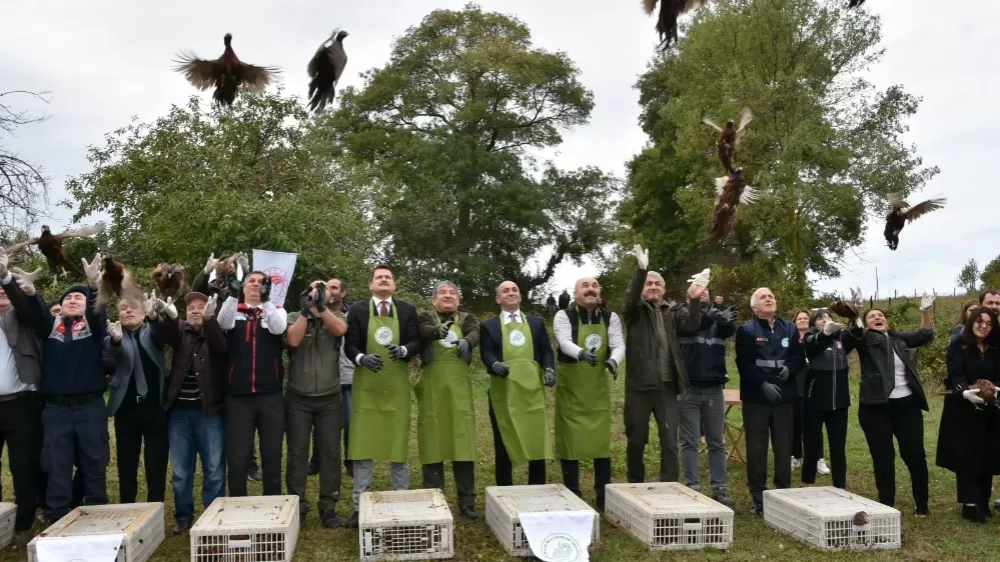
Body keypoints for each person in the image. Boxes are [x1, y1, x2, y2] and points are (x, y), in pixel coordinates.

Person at [26, 255, 109, 522]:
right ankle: (58, 515)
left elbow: (98, 315)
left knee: (95, 461)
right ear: (60, 306)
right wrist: (31, 294)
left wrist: (93, 285)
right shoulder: (50, 329)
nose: (72, 300)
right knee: (56, 463)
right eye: (67, 298)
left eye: (78, 298)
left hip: (90, 407)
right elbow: (37, 313)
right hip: (56, 409)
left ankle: (97, 513)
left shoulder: (93, 329)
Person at [841, 293, 936, 517]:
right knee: (883, 458)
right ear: (866, 324)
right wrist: (855, 315)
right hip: (875, 408)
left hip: (907, 406)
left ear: (887, 321)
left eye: (880, 315)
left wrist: (925, 312)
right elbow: (848, 340)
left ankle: (922, 505)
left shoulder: (898, 339)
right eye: (872, 316)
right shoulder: (864, 339)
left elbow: (925, 336)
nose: (877, 317)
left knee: (915, 455)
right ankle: (886, 504)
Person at [343, 265, 420, 528]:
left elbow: (416, 341)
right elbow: (349, 345)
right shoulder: (358, 310)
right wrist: (361, 358)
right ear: (371, 285)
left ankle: (401, 500)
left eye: (388, 277)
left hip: (396, 387)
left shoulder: (407, 310)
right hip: (367, 388)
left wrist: (404, 350)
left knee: (398, 446)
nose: (384, 280)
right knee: (363, 446)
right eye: (379, 277)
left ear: (394, 285)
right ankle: (359, 506)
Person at [622, 245, 704, 484]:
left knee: (669, 441)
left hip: (667, 386)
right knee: (637, 440)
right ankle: (634, 484)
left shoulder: (671, 311)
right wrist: (641, 271)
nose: (653, 287)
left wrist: (695, 299)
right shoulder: (634, 311)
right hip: (639, 386)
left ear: (664, 289)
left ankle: (669, 485)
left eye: (657, 284)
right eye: (649, 283)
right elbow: (631, 297)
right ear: (642, 288)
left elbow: (692, 326)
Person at [553, 276, 624, 511]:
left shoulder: (611, 317)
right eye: (585, 286)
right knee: (571, 441)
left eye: (594, 286)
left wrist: (614, 361)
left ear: (599, 293)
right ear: (576, 294)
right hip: (571, 389)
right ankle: (572, 492)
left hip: (597, 389)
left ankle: (603, 494)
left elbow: (618, 344)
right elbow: (564, 342)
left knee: (600, 443)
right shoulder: (563, 316)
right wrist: (581, 353)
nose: (590, 289)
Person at [159, 292, 227, 535]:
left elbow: (220, 348)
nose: (196, 310)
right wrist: (170, 318)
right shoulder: (181, 332)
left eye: (201, 306)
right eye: (191, 308)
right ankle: (184, 516)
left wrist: (210, 320)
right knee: (180, 472)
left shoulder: (216, 332)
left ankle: (213, 517)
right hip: (179, 415)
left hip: (209, 413)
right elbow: (165, 336)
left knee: (214, 469)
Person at [735, 287, 805, 516]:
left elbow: (798, 357)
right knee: (757, 449)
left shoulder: (790, 328)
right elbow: (744, 363)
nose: (768, 299)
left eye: (771, 296)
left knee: (784, 448)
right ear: (754, 307)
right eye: (763, 297)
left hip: (784, 397)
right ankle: (759, 498)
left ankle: (783, 494)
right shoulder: (746, 330)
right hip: (757, 397)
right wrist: (763, 384)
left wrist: (790, 369)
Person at [217, 270, 287, 497]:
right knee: (238, 454)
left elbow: (278, 329)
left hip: (270, 393)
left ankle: (273, 501)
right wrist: (232, 296)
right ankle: (237, 501)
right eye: (252, 281)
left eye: (262, 282)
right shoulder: (233, 310)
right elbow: (222, 324)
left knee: (272, 452)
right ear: (243, 286)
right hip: (238, 395)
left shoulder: (276, 310)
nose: (256, 285)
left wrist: (266, 302)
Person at [285, 280, 348, 527]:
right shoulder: (293, 316)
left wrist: (321, 308)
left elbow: (340, 330)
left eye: (323, 288)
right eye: (314, 287)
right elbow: (292, 340)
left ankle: (328, 505)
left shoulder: (337, 315)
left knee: (331, 452)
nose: (318, 291)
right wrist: (305, 309)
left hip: (329, 397)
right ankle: (298, 504)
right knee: (297, 451)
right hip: (298, 396)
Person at [481, 280, 556, 486]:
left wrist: (549, 369)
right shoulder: (489, 326)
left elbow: (546, 350)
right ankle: (504, 488)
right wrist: (494, 364)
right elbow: (486, 352)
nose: (511, 293)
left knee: (535, 436)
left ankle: (537, 486)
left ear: (520, 296)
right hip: (504, 390)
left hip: (531, 390)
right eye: (505, 291)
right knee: (504, 437)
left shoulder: (535, 322)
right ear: (498, 299)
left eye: (514, 289)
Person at [416, 281, 480, 519]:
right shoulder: (426, 317)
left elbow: (475, 332)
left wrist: (467, 342)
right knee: (433, 441)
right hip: (433, 389)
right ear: (434, 300)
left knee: (463, 443)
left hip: (459, 391)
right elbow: (423, 331)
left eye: (453, 293)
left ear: (458, 300)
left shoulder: (466, 318)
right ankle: (434, 498)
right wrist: (437, 332)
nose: (448, 296)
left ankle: (467, 501)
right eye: (442, 293)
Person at [104, 293, 172, 505]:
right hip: (126, 407)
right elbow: (111, 349)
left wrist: (154, 317)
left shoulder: (152, 331)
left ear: (143, 313)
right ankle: (127, 504)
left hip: (155, 405)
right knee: (127, 459)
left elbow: (162, 336)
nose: (128, 311)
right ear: (119, 315)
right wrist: (115, 340)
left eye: (133, 307)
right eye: (123, 308)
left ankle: (155, 504)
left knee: (156, 458)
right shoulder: (114, 334)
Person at [937, 307, 1000, 523]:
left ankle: (983, 500)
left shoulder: (996, 347)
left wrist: (995, 390)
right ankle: (969, 504)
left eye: (989, 323)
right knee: (967, 455)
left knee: (988, 454)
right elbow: (955, 374)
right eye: (979, 321)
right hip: (963, 409)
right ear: (972, 322)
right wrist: (965, 391)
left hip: (991, 409)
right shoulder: (959, 345)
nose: (984, 326)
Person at [0, 253, 44, 546]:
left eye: (4, 289)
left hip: (21, 404)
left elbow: (30, 309)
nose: (1, 292)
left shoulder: (23, 318)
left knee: (23, 466)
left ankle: (24, 524)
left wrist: (6, 276)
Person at [678, 289, 737, 506]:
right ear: (689, 298)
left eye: (706, 291)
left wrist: (726, 320)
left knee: (717, 441)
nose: (703, 292)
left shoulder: (717, 317)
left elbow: (729, 331)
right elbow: (690, 327)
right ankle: (693, 487)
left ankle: (720, 488)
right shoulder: (682, 315)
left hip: (714, 388)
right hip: (688, 388)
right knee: (689, 441)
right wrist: (710, 317)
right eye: (698, 291)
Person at [801, 310, 849, 489]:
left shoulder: (841, 339)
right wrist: (826, 333)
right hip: (815, 401)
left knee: (838, 447)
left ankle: (840, 485)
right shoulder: (809, 337)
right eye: (820, 318)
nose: (824, 320)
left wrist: (855, 315)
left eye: (828, 317)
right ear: (814, 323)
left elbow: (857, 335)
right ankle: (808, 482)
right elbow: (814, 346)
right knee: (812, 446)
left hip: (839, 402)